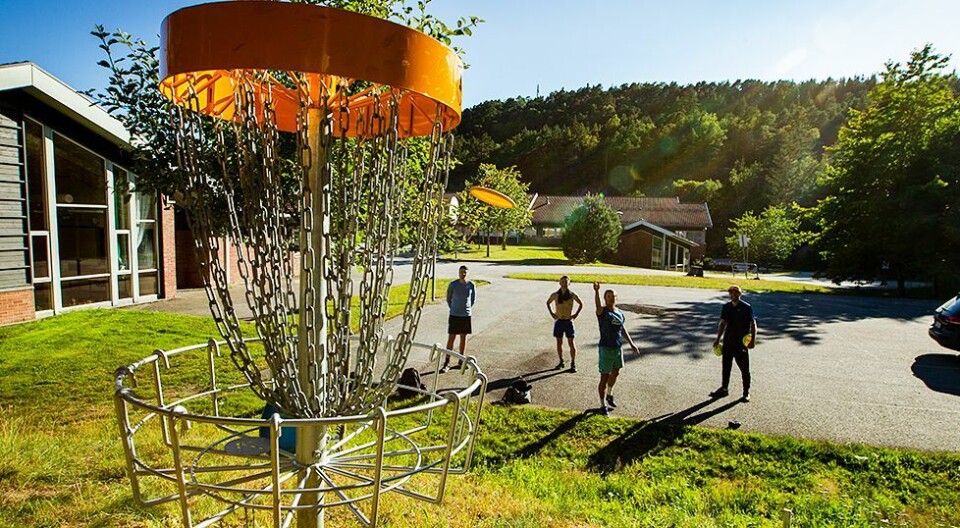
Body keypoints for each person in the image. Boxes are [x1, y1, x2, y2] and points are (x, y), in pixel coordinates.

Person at [593, 281, 640, 416]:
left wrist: (631, 344)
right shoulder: (602, 312)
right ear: (605, 298)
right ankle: (603, 405)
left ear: (616, 298)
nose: (610, 298)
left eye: (612, 296)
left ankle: (609, 394)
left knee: (616, 373)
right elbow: (597, 305)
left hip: (617, 348)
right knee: (604, 376)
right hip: (606, 349)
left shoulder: (619, 313)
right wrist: (596, 291)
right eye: (607, 296)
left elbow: (622, 328)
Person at [711, 285, 757, 402]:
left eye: (735, 293)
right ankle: (724, 388)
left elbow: (753, 324)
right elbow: (722, 323)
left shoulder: (746, 307)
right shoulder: (726, 307)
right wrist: (717, 339)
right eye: (731, 293)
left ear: (740, 294)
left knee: (744, 369)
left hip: (741, 343)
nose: (733, 295)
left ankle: (746, 393)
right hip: (728, 342)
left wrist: (752, 340)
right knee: (726, 367)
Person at [442, 265, 476, 373]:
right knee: (451, 337)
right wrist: (453, 308)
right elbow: (448, 298)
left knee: (463, 337)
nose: (463, 274)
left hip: (465, 315)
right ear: (458, 273)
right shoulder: (453, 285)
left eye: (465, 272)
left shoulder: (471, 285)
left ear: (467, 273)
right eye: (461, 272)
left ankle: (461, 360)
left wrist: (467, 309)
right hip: (454, 314)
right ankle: (447, 362)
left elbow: (472, 299)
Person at [546, 276, 583, 372]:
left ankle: (573, 363)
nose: (564, 283)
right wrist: (552, 313)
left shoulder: (572, 295)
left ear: (569, 283)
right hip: (559, 321)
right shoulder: (555, 295)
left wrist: (575, 314)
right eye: (562, 282)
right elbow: (548, 302)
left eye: (566, 282)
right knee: (559, 342)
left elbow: (581, 303)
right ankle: (561, 360)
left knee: (571, 342)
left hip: (568, 321)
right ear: (559, 283)